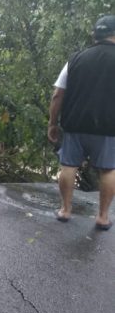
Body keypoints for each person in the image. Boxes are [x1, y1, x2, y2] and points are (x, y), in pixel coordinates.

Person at [48, 15, 115, 230]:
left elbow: (58, 95)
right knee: (108, 170)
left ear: (95, 34)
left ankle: (65, 210)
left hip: (75, 126)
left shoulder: (76, 59)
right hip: (108, 128)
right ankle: (103, 217)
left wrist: (52, 123)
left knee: (68, 166)